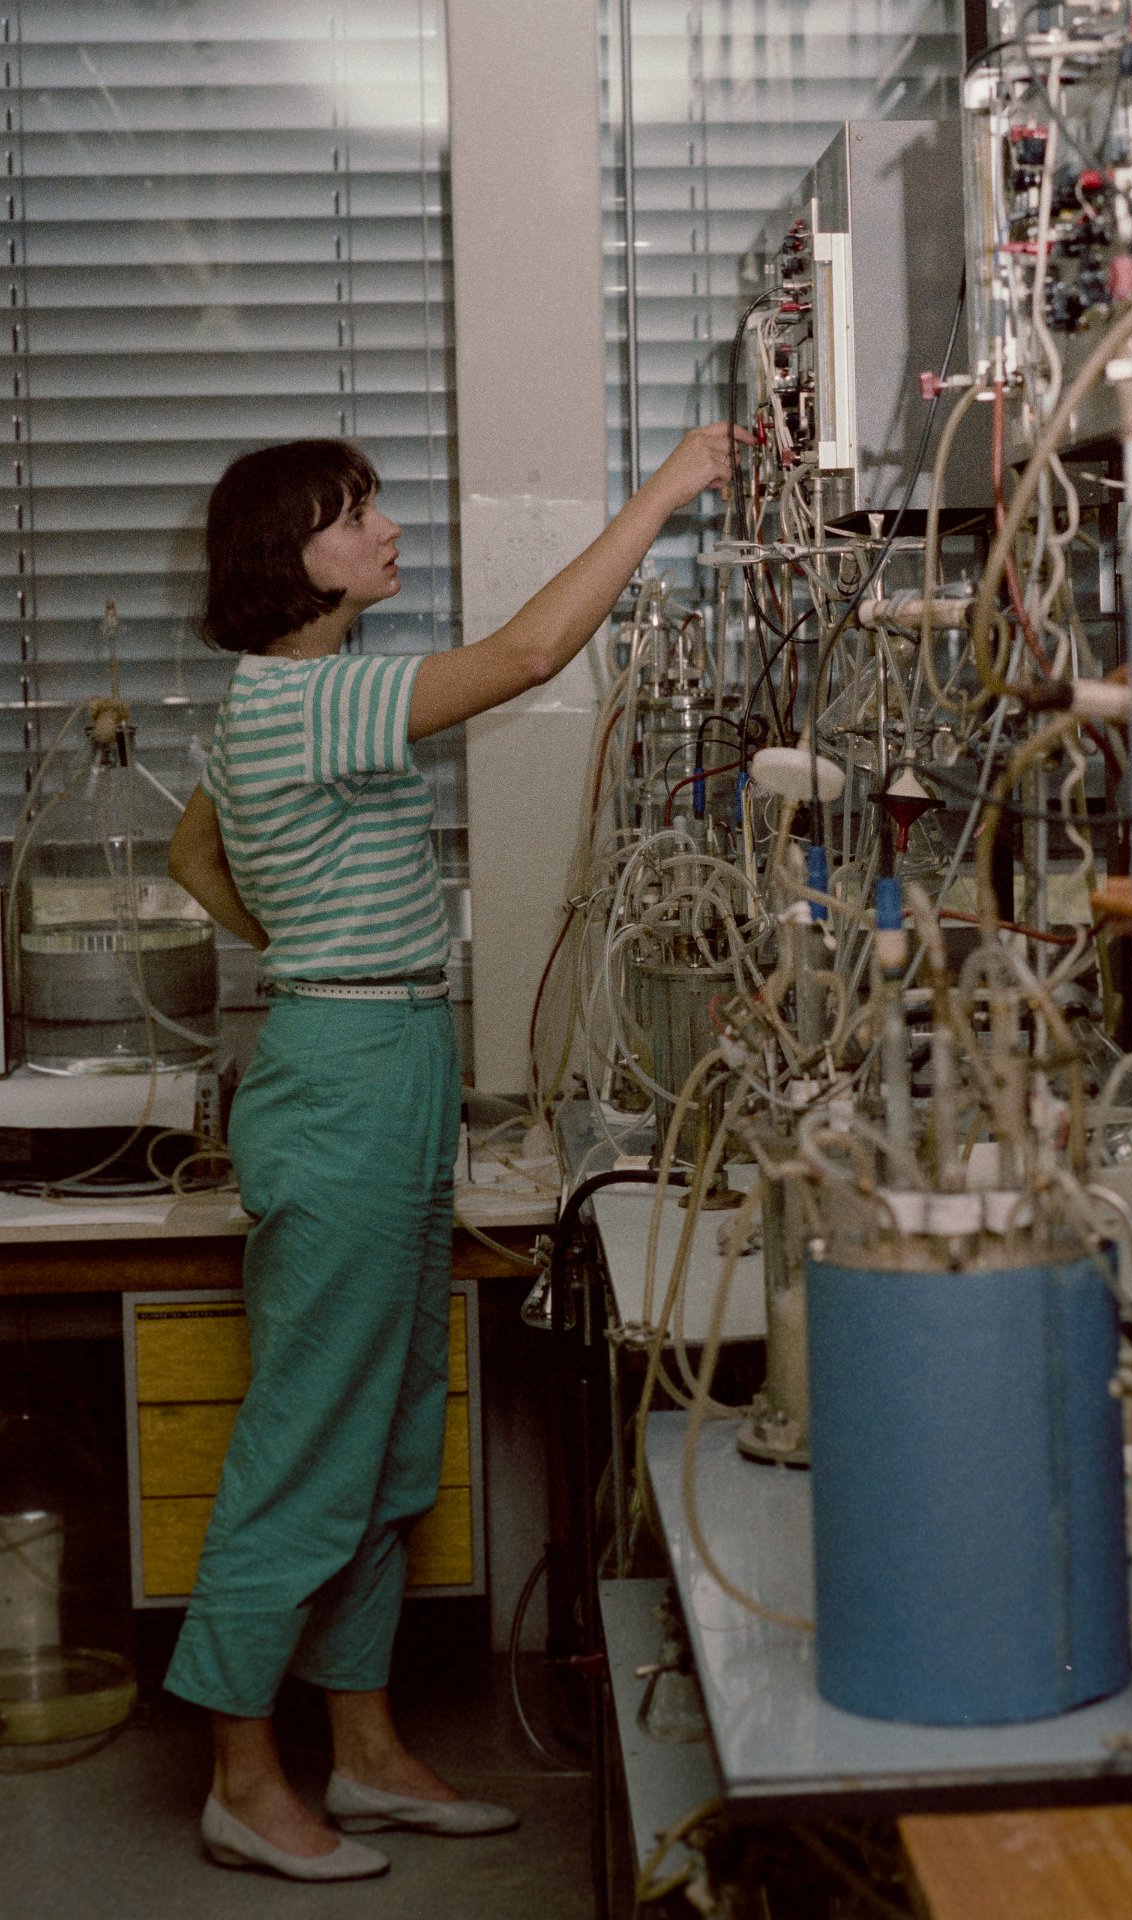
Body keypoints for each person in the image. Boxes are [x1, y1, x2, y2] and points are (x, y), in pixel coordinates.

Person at [165, 423, 742, 1881]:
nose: (389, 532)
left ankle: (363, 1755)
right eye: (356, 516)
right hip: (347, 1077)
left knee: (386, 1432)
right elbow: (534, 653)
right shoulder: (310, 700)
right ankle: (241, 1777)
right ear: (290, 558)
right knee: (310, 1442)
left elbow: (193, 856)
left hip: (386, 1057)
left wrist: (308, 945)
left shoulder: (286, 700)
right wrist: (671, 485)